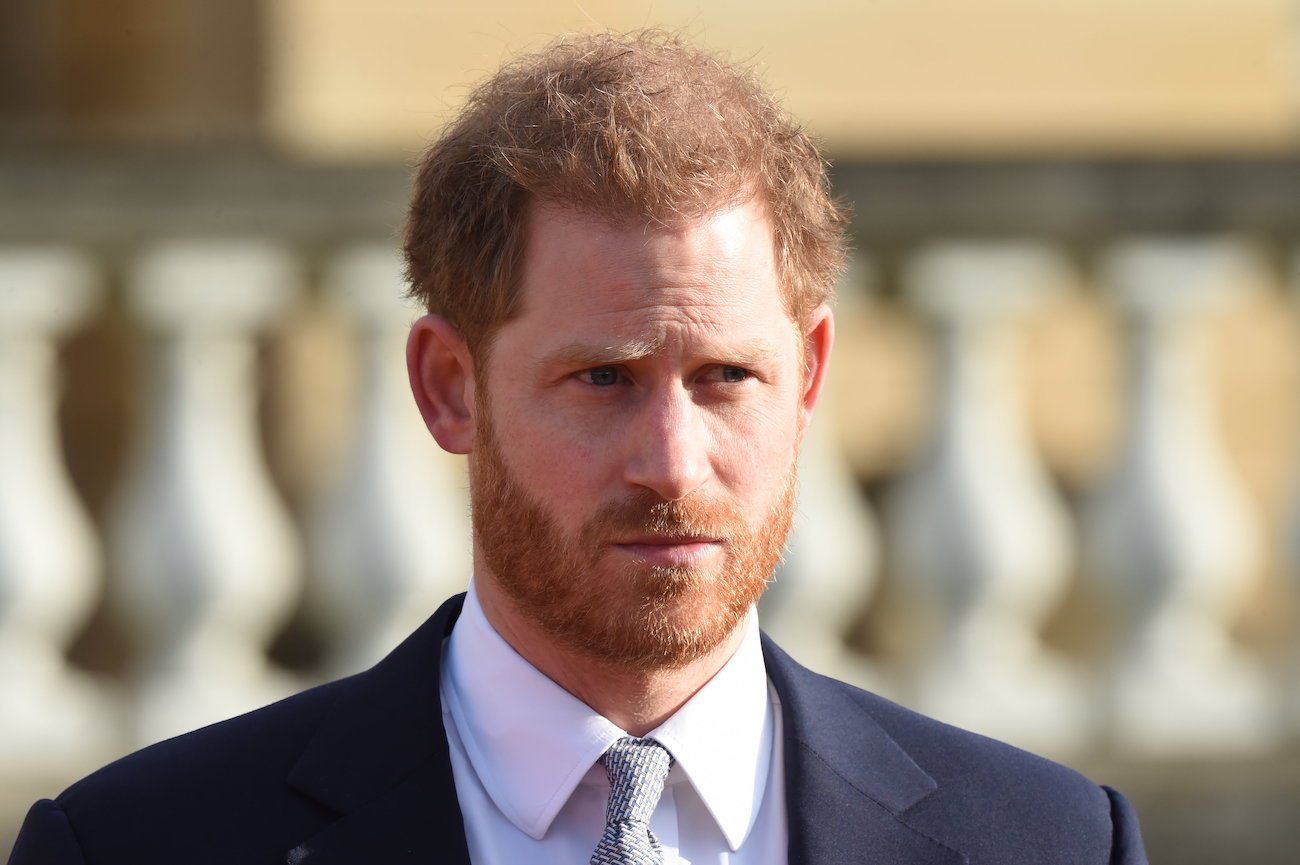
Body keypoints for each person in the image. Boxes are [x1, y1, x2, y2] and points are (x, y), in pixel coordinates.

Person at [8, 30, 1148, 865]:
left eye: (727, 378)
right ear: (448, 388)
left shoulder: (1049, 843)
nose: (671, 461)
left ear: (808, 376)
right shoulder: (136, 846)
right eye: (601, 378)